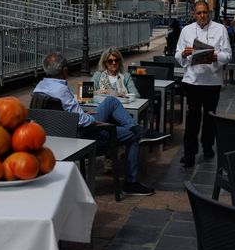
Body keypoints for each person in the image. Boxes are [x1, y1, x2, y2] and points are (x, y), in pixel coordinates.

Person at [33, 51, 163, 196]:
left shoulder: (40, 87)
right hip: (79, 136)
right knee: (132, 136)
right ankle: (131, 182)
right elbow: (83, 122)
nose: (113, 63)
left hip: (57, 133)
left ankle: (137, 129)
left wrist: (81, 115)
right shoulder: (62, 90)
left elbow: (61, 114)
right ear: (64, 70)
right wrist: (91, 120)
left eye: (116, 61)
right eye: (110, 61)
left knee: (111, 101)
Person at [174, 0, 231, 167]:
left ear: (209, 13)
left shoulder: (220, 29)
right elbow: (177, 53)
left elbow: (227, 54)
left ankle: (207, 147)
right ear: (194, 14)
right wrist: (184, 53)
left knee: (210, 117)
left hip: (212, 81)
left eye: (205, 12)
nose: (202, 16)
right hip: (192, 80)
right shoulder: (186, 30)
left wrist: (215, 57)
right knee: (192, 118)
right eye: (199, 13)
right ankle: (189, 154)